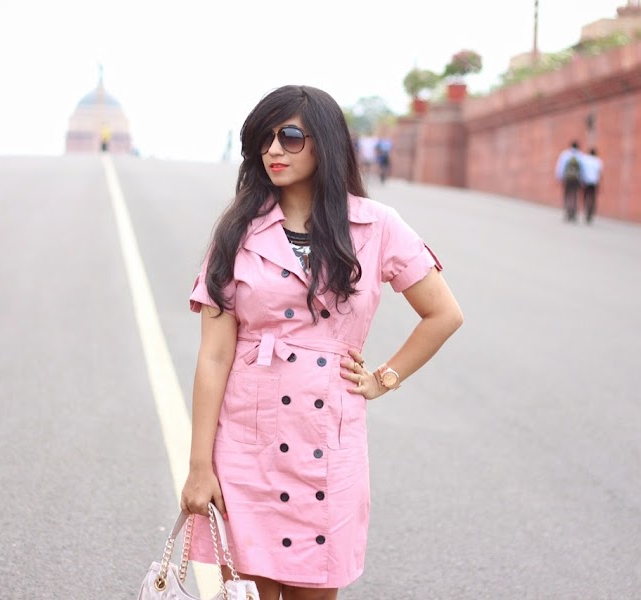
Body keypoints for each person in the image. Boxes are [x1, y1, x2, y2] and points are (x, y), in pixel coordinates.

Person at [180, 85, 464, 599]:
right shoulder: (237, 233)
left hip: (328, 452)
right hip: (247, 450)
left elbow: (443, 313)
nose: (274, 150)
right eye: (264, 139)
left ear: (325, 143)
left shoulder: (376, 226)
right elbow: (215, 356)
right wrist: (200, 467)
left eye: (290, 137)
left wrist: (383, 378)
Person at [554, 140, 584, 222]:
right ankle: (573, 212)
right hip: (576, 179)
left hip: (567, 178)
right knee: (574, 195)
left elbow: (560, 167)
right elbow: (583, 169)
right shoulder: (580, 155)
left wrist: (559, 177)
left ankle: (567, 211)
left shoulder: (565, 154)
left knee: (567, 194)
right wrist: (582, 179)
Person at [580, 147, 604, 224]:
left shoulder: (585, 159)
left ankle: (586, 210)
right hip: (594, 182)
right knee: (592, 198)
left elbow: (582, 171)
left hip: (586, 181)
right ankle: (590, 212)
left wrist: (581, 180)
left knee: (585, 197)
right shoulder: (598, 161)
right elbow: (600, 173)